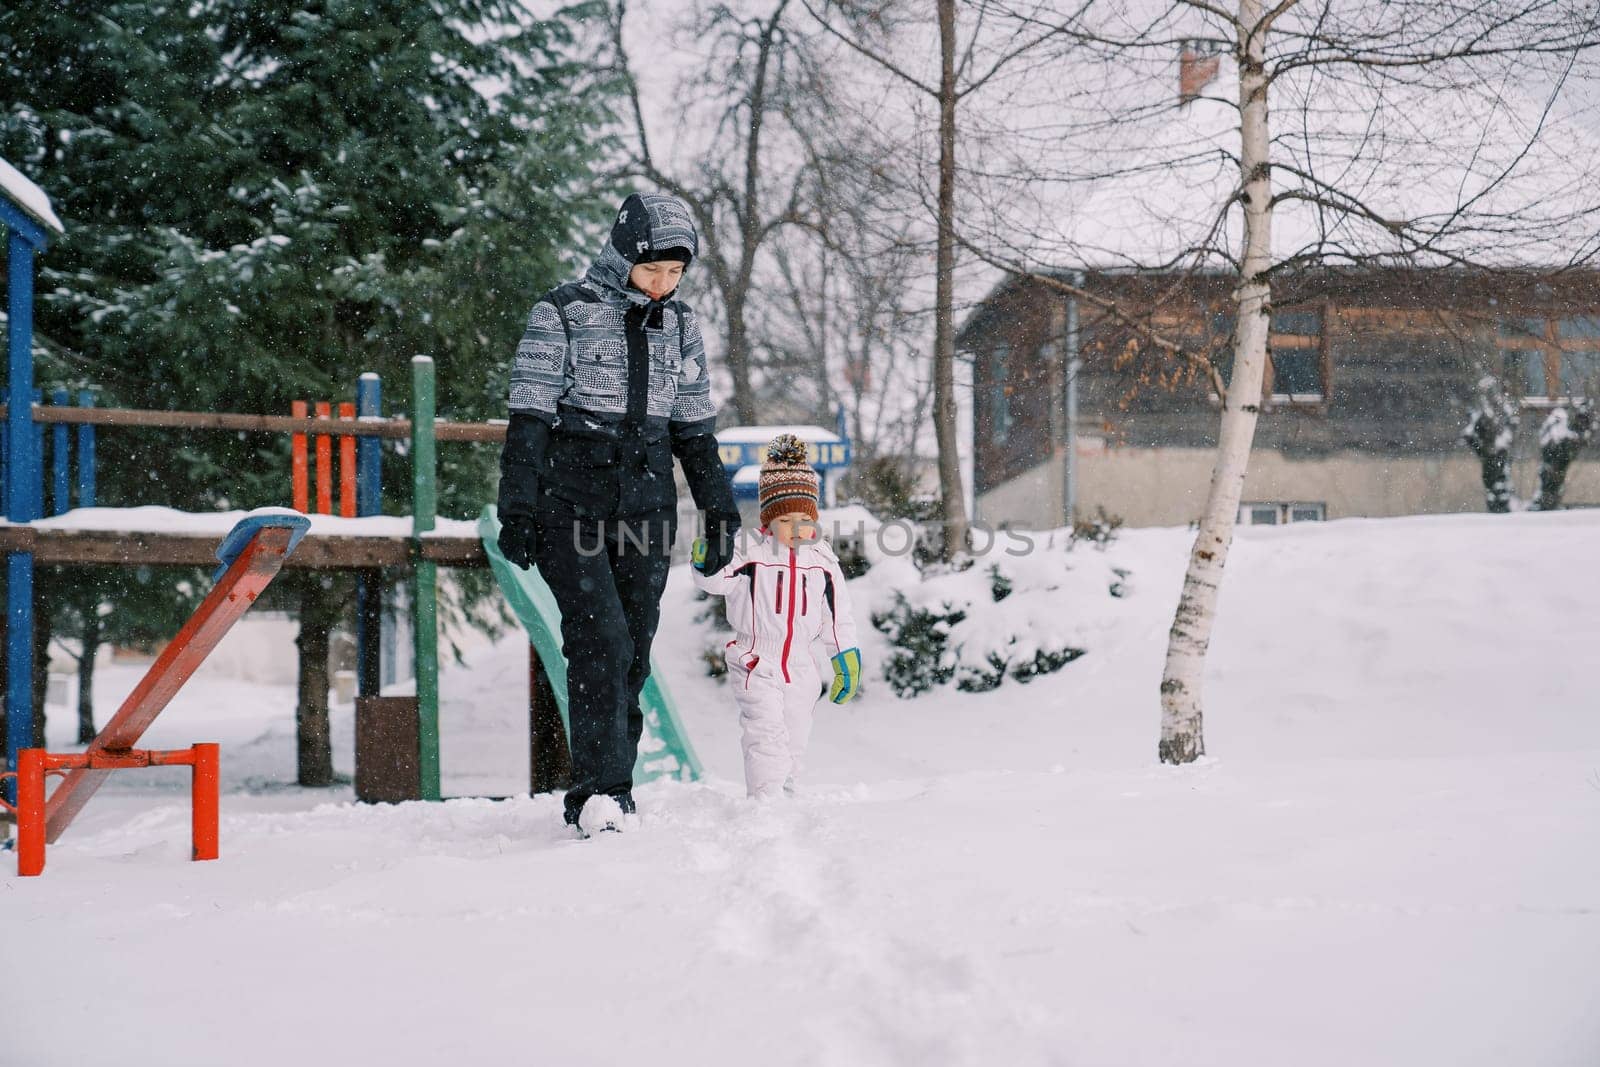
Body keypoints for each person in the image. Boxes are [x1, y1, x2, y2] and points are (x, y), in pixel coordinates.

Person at [496, 192, 741, 836]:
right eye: (651, 270)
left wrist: (719, 514)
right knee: (598, 640)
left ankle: (615, 786)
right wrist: (517, 507)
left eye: (675, 274)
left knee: (632, 648)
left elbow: (694, 430)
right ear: (624, 254)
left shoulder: (682, 325)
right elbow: (529, 415)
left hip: (647, 504)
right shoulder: (563, 311)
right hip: (568, 503)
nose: (662, 284)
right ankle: (597, 794)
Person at [690, 434, 862, 799]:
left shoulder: (823, 562)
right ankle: (765, 800)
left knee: (795, 733)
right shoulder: (749, 550)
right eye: (786, 519)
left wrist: (844, 656)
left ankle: (785, 789)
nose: (797, 526)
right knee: (765, 732)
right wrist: (707, 559)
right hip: (756, 659)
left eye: (805, 517)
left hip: (802, 664)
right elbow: (717, 581)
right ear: (769, 520)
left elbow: (837, 615)